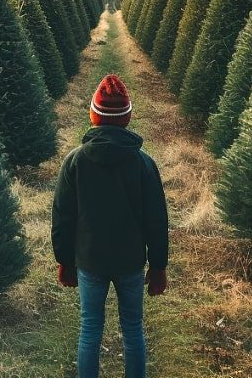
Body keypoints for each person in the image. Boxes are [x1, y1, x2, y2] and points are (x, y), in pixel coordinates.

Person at [52, 74, 169, 378]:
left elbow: (63, 217)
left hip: (90, 261)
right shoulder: (143, 163)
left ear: (93, 116)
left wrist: (65, 261)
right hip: (130, 261)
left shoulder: (75, 161)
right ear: (127, 117)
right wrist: (158, 266)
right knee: (133, 329)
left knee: (90, 328)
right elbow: (156, 219)